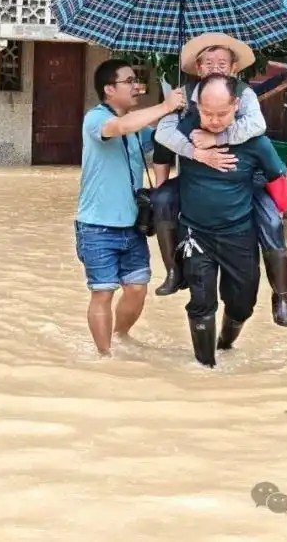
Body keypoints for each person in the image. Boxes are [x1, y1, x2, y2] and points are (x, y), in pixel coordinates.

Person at [152, 33, 287, 328]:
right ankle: (172, 270)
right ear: (198, 67)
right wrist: (196, 152)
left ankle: (281, 298)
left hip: (245, 177)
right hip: (198, 177)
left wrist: (217, 136)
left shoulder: (244, 94)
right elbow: (163, 135)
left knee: (270, 222)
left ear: (233, 68)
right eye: (208, 62)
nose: (215, 67)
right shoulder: (182, 95)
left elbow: (257, 126)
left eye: (222, 62)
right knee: (161, 199)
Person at [174, 73, 287, 367]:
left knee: (242, 305)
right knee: (201, 303)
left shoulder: (255, 142)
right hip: (195, 232)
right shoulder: (183, 130)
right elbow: (161, 148)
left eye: (222, 113)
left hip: (239, 235)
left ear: (237, 105)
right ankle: (206, 368)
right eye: (207, 113)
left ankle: (224, 344)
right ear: (196, 106)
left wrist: (283, 210)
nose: (214, 120)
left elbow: (278, 179)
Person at [76, 58, 186, 356]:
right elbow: (120, 126)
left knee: (137, 290)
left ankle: (119, 336)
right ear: (109, 89)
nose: (137, 86)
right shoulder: (95, 119)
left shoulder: (139, 128)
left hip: (133, 225)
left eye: (137, 80)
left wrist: (184, 114)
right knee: (103, 292)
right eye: (129, 81)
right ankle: (104, 356)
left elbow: (166, 141)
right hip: (97, 225)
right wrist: (164, 106)